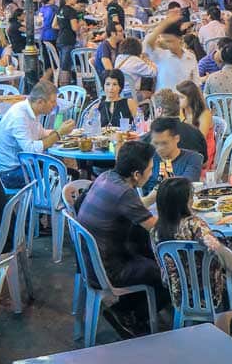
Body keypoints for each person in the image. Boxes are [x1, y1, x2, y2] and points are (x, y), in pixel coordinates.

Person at [149, 177, 232, 347]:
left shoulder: (155, 231)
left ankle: (192, 332)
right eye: (191, 197)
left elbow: (163, 270)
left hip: (181, 296)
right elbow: (218, 249)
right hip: (214, 294)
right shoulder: (195, 224)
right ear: (185, 202)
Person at [76, 139, 164, 337]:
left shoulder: (107, 177)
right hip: (108, 269)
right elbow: (156, 228)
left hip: (90, 260)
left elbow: (129, 208)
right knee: (166, 272)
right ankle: (132, 316)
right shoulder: (125, 193)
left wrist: (151, 198)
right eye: (150, 169)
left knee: (144, 250)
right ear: (136, 174)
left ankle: (126, 308)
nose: (152, 173)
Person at [0, 81, 76, 188]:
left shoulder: (33, 111)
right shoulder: (19, 116)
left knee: (67, 170)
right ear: (40, 102)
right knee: (61, 176)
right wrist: (59, 133)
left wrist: (67, 133)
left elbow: (42, 134)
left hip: (26, 165)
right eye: (53, 101)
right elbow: (31, 149)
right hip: (10, 173)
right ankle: (49, 204)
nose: (55, 105)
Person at [140, 117, 204, 194]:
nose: (159, 148)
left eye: (164, 143)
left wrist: (167, 185)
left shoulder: (193, 158)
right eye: (156, 143)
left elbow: (186, 189)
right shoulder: (148, 158)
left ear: (177, 138)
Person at [150, 90, 209, 156]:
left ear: (159, 110)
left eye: (154, 109)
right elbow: (204, 162)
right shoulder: (196, 132)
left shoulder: (151, 137)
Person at [145, 19, 199, 92]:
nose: (168, 44)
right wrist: (164, 24)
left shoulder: (191, 56)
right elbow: (148, 44)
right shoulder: (161, 55)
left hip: (185, 100)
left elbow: (196, 84)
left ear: (180, 39)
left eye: (170, 41)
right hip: (165, 101)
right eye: (166, 41)